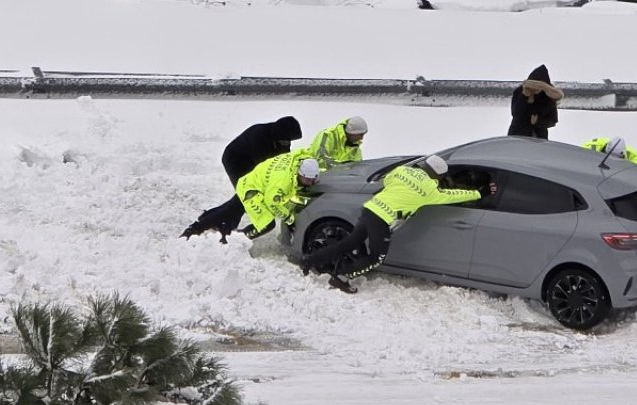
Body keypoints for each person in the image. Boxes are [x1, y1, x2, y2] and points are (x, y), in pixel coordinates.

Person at [300, 154, 489, 293]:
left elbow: (388, 181)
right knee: (376, 258)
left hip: (370, 209)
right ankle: (341, 277)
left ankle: (309, 260)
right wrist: (480, 193)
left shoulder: (402, 170)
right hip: (382, 220)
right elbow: (452, 195)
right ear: (437, 176)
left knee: (348, 244)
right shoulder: (430, 190)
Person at [181, 116, 302, 242]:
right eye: (286, 141)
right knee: (244, 199)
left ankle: (220, 225)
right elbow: (267, 171)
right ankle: (199, 228)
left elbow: (284, 160)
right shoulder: (259, 137)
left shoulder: (281, 138)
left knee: (242, 201)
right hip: (235, 161)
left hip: (251, 162)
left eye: (289, 142)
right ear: (279, 136)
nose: (287, 144)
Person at [508, 64, 563, 139]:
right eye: (535, 86)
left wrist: (538, 121)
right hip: (517, 135)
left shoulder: (548, 97)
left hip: (539, 138)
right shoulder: (519, 92)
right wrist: (524, 97)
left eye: (539, 87)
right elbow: (515, 113)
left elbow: (553, 120)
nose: (536, 90)